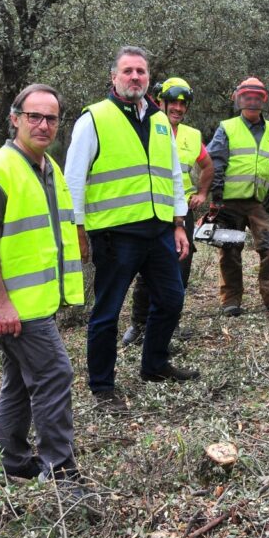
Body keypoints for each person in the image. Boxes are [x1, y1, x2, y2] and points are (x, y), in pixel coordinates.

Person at [65, 46, 198, 412]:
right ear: (114, 77)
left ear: (149, 78)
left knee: (171, 299)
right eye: (128, 71)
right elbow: (73, 180)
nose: (135, 77)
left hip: (158, 231)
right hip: (114, 234)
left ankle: (154, 365)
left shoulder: (158, 120)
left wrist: (178, 223)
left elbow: (172, 174)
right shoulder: (93, 119)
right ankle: (103, 387)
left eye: (141, 71)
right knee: (108, 312)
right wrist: (76, 230)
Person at [0, 84, 83, 482]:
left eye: (51, 118)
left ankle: (15, 462)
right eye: (34, 116)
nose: (43, 124)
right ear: (15, 118)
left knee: (18, 381)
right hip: (15, 306)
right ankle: (60, 471)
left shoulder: (48, 167)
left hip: (35, 301)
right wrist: (2, 304)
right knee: (55, 374)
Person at [123, 78, 213, 346]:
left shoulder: (191, 135)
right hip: (149, 209)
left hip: (180, 209)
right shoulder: (143, 127)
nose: (178, 108)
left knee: (180, 270)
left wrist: (202, 193)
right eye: (173, 102)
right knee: (146, 268)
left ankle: (168, 324)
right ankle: (139, 323)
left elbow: (208, 166)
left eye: (183, 104)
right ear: (160, 101)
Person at [207, 77, 269, 316]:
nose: (252, 101)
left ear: (263, 100)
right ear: (239, 99)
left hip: (262, 201)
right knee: (230, 249)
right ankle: (230, 299)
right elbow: (216, 161)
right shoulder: (228, 127)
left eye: (257, 97)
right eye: (247, 97)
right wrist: (218, 195)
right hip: (230, 202)